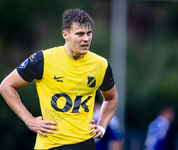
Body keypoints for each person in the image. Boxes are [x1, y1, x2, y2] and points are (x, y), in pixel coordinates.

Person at [0, 8, 118, 150]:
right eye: (80, 34)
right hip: (52, 145)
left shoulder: (100, 65)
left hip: (86, 144)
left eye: (89, 33)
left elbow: (111, 97)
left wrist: (102, 126)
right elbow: (6, 86)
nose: (86, 39)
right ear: (65, 35)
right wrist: (29, 120)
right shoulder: (43, 60)